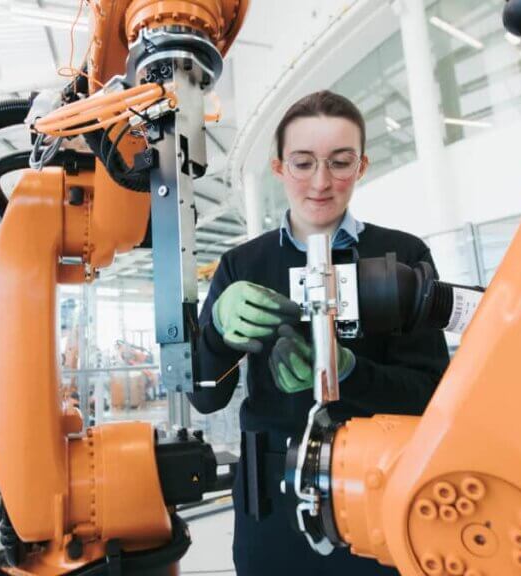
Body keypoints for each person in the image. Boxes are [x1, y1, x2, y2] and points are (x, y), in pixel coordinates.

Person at [189, 90, 450, 575]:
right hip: (271, 512)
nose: (321, 182)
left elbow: (431, 395)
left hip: (376, 500)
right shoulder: (243, 265)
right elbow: (206, 397)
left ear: (363, 165)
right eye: (303, 163)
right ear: (278, 168)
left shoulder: (402, 254)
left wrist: (349, 372)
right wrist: (217, 332)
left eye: (340, 162)